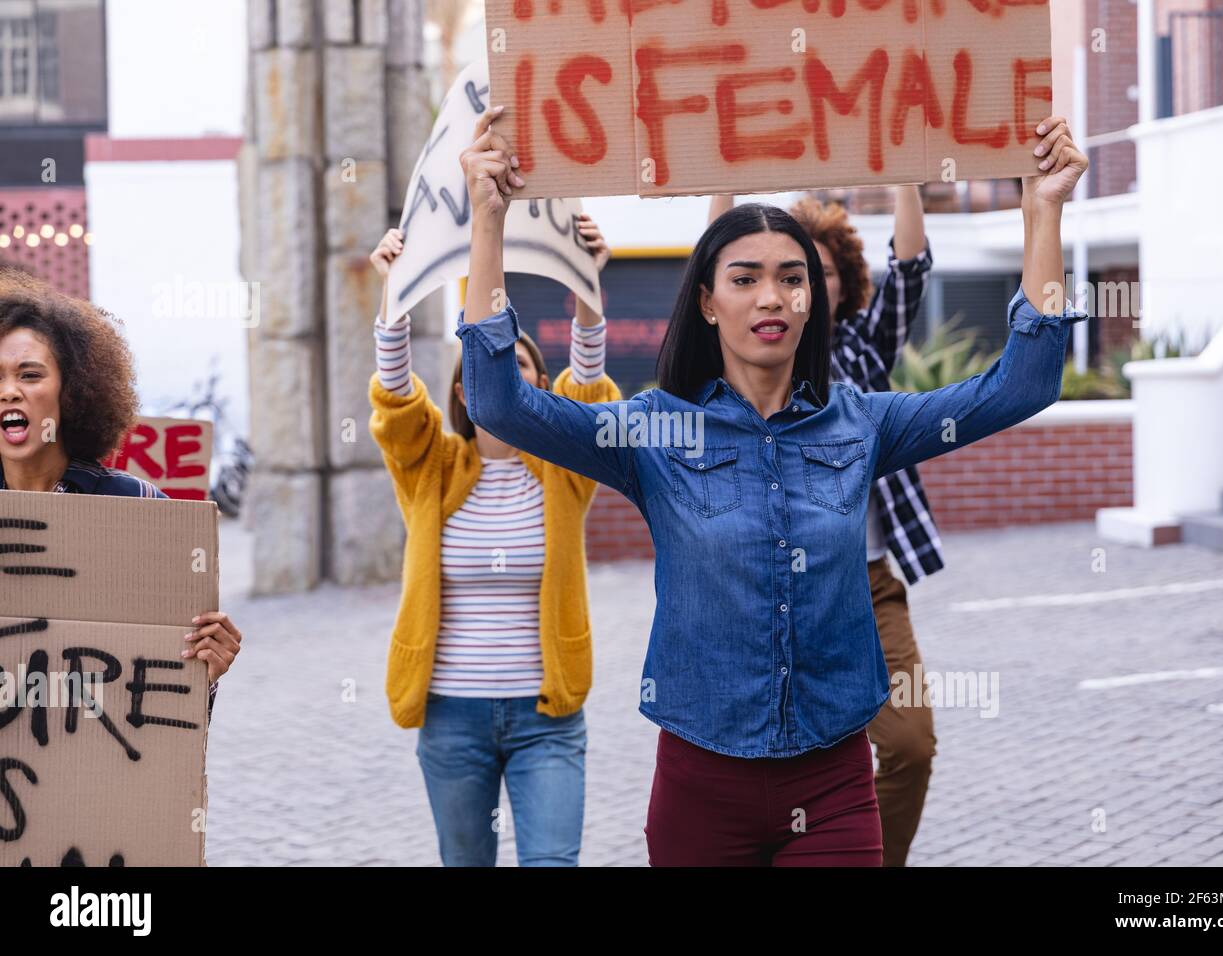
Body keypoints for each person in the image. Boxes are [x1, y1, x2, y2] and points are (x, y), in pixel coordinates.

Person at [455, 104, 1087, 866]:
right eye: (745, 278)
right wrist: (487, 226)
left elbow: (1023, 384)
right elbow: (497, 402)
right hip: (700, 782)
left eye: (791, 279)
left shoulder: (861, 424)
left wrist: (1042, 212)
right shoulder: (656, 433)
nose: (770, 297)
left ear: (812, 300)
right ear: (707, 301)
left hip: (831, 784)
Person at [367, 213, 620, 866]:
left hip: (548, 719)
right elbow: (395, 399)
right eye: (498, 366)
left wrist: (589, 288)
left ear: (541, 384)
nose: (514, 376)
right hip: (453, 717)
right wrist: (395, 297)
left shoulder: (561, 465)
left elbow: (589, 386)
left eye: (527, 367)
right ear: (465, 390)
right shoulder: (432, 467)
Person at [708, 188, 939, 865]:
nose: (789, 292)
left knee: (909, 744)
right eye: (769, 276)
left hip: (867, 587)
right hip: (763, 591)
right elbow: (714, 272)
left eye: (814, 273)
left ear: (839, 284)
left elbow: (912, 268)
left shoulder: (862, 351)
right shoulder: (737, 364)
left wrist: (906, 172)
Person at [0, 268, 243, 717]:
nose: (9, 392)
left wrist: (201, 674)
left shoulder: (139, 509)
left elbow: (163, 717)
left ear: (70, 392)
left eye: (29, 375)